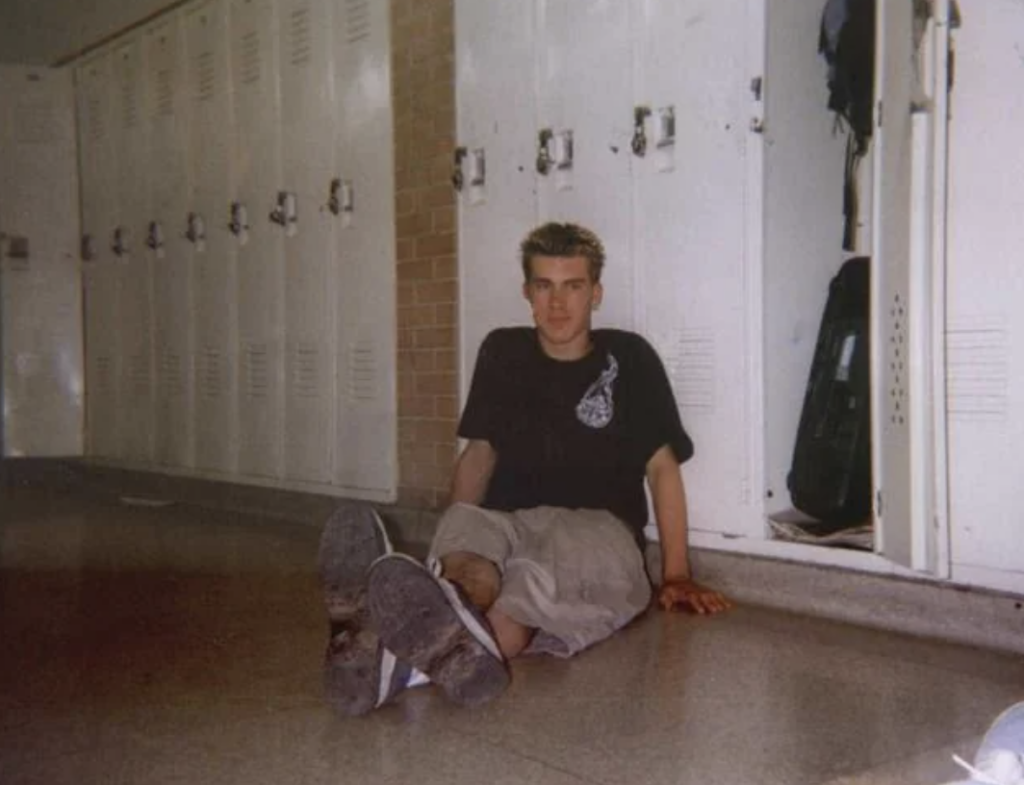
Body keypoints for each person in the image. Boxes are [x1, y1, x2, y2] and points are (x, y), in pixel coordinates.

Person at [318, 221, 731, 717]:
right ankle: (422, 622)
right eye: (544, 286)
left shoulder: (631, 360)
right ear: (527, 293)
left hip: (595, 529)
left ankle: (379, 650)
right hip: (504, 517)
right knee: (468, 567)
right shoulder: (502, 352)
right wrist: (454, 539)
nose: (558, 303)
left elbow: (662, 469)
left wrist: (677, 572)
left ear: (595, 294)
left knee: (521, 596)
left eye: (573, 286)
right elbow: (479, 455)